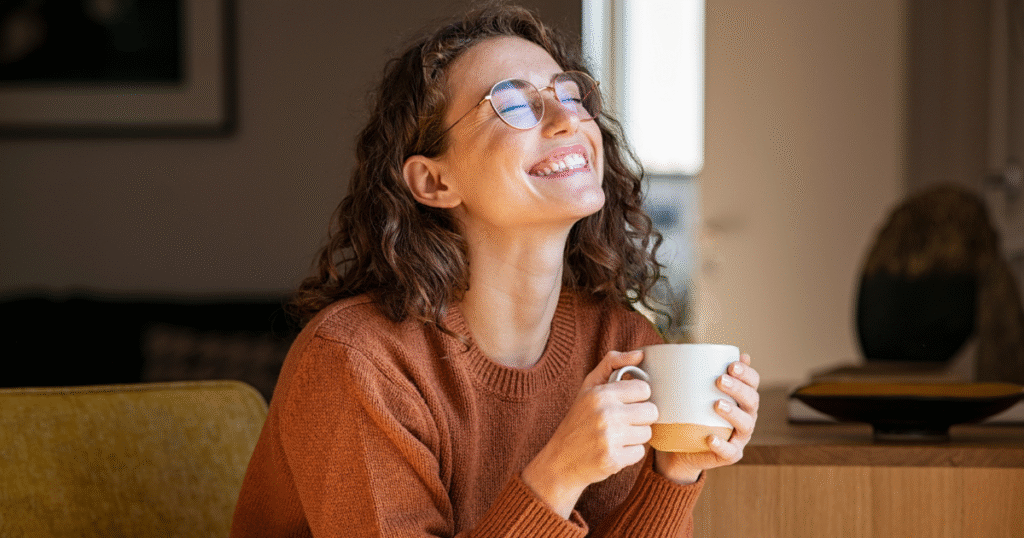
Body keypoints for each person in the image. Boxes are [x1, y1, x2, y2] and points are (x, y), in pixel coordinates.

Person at [231, 3, 760, 537]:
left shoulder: (620, 342)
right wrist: (558, 475)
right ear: (435, 182)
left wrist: (676, 470)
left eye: (569, 95)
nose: (568, 120)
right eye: (512, 103)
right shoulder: (359, 362)